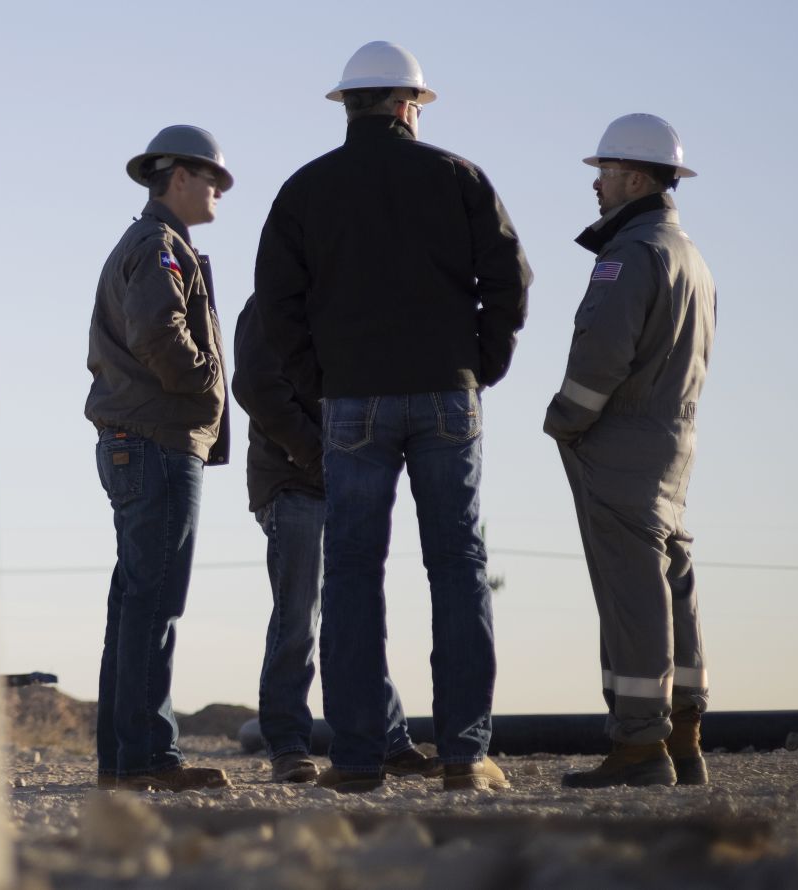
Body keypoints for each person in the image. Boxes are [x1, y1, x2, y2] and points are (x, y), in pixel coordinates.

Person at [253, 40, 532, 793]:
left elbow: (276, 307)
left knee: (349, 575)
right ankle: (466, 758)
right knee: (458, 569)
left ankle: (354, 761)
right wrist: (483, 364)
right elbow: (510, 279)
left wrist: (323, 381)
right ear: (411, 105)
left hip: (351, 402)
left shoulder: (303, 190)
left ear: (347, 105)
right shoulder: (459, 178)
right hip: (447, 393)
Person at [545, 113, 716, 788]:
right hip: (673, 442)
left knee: (631, 593)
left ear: (638, 178)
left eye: (606, 173)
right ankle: (685, 739)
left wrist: (566, 419)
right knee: (672, 582)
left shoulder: (631, 254)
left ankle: (641, 748)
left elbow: (602, 352)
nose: (597, 186)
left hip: (620, 443)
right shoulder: (690, 257)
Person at [81, 124, 235, 792]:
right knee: (154, 602)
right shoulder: (159, 246)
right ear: (178, 177)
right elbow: (158, 334)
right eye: (213, 180)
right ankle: (146, 757)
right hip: (156, 441)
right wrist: (205, 381)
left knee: (136, 602)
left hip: (137, 441)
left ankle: (124, 759)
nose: (220, 192)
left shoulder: (154, 244)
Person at [232, 295, 440, 784]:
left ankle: (388, 741)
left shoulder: (344, 297)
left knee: (355, 611)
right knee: (299, 617)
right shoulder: (270, 303)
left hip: (346, 479)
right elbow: (257, 386)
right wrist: (316, 455)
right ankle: (287, 745)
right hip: (294, 482)